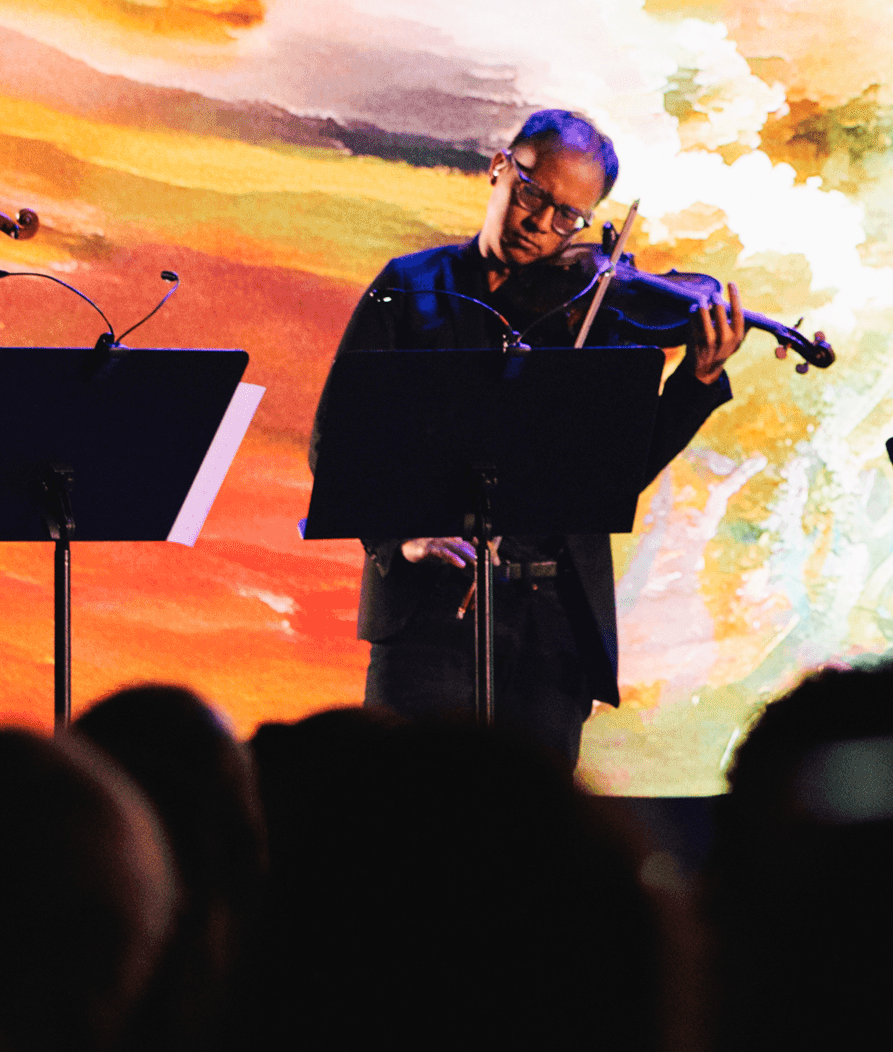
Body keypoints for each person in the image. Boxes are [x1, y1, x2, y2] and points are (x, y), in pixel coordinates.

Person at [310, 109, 750, 768]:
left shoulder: (593, 310)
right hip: (427, 612)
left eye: (569, 216)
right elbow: (339, 443)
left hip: (552, 625)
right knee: (412, 813)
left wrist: (697, 379)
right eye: (533, 195)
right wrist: (402, 536)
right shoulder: (409, 287)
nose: (543, 226)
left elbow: (612, 476)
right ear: (499, 170)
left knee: (532, 840)